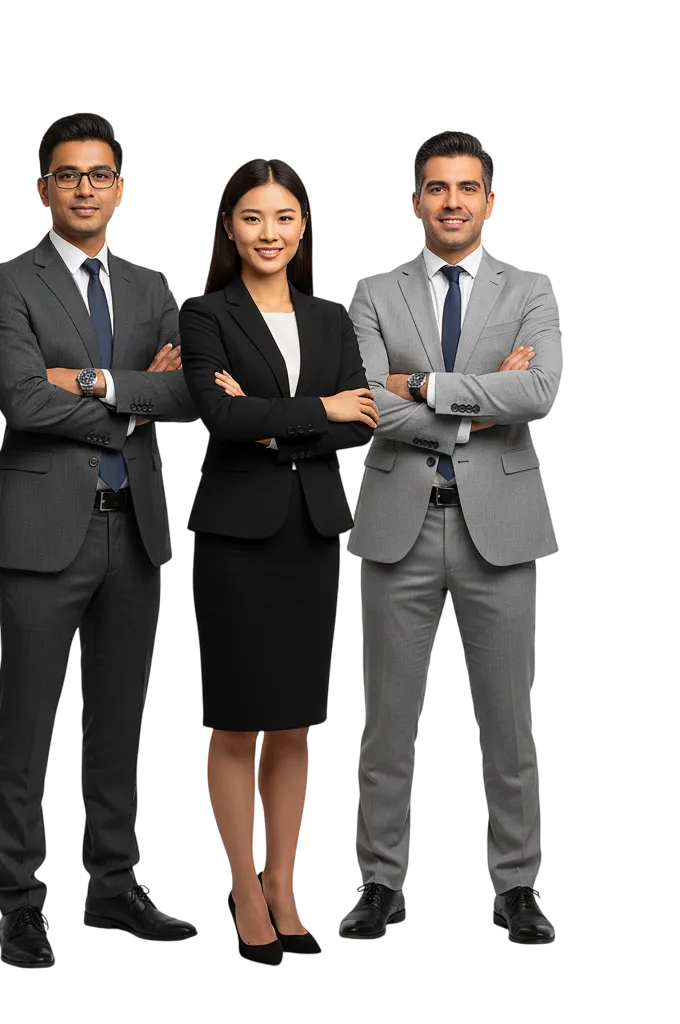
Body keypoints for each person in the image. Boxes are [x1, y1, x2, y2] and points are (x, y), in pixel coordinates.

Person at [0, 113, 200, 971]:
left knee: (116, 725)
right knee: (27, 725)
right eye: (67, 175)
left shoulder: (151, 287)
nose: (83, 189)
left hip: (135, 532)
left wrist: (98, 382)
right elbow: (23, 401)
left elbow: (190, 395)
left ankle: (112, 888)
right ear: (42, 189)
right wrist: (136, 401)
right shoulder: (8, 283)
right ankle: (19, 904)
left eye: (99, 175)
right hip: (43, 533)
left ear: (122, 191)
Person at [341, 130, 560, 945]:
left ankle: (519, 886)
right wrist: (480, 402)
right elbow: (368, 401)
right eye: (437, 188)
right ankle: (379, 882)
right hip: (398, 523)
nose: (453, 202)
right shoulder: (372, 291)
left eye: (468, 188)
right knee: (385, 724)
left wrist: (425, 385)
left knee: (509, 722)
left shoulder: (533, 287)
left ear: (490, 202)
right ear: (415, 201)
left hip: (499, 528)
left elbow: (539, 391)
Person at [179, 159, 378, 966]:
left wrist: (271, 420)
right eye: (254, 217)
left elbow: (362, 421)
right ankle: (243, 892)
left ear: (303, 226)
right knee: (236, 721)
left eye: (284, 217)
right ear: (230, 227)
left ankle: (285, 885)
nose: (270, 233)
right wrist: (315, 409)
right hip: (235, 540)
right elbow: (218, 417)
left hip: (311, 533)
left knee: (295, 721)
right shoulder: (206, 314)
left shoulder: (330, 318)